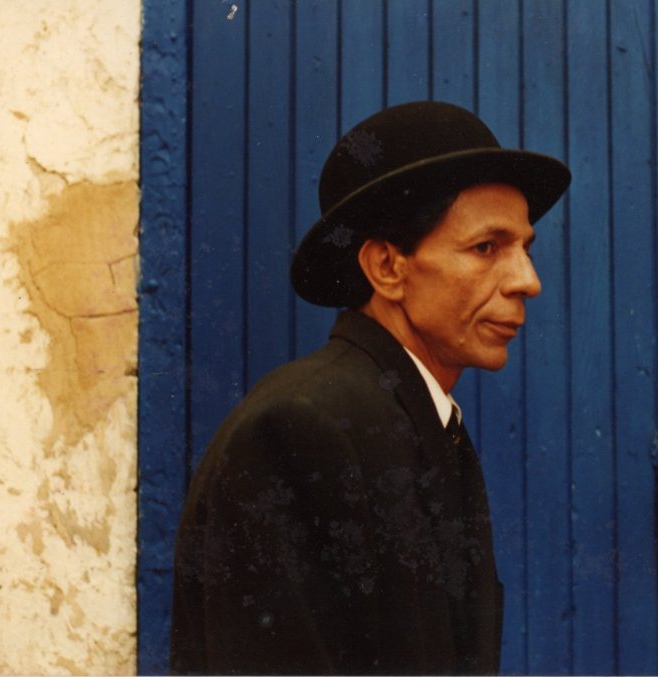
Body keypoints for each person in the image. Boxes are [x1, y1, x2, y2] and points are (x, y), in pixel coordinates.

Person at [169, 101, 571, 675]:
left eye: (524, 249)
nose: (526, 281)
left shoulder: (416, 420)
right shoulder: (299, 430)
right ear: (387, 267)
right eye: (487, 248)